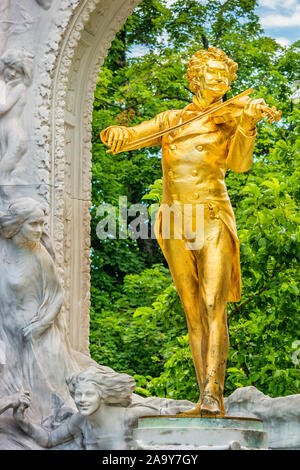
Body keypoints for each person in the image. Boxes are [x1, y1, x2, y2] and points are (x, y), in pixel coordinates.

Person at [101, 47, 276, 416]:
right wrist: (116, 131)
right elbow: (132, 135)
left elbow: (240, 164)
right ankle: (204, 397)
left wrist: (248, 123)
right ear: (195, 78)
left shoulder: (230, 120)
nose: (219, 80)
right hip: (174, 221)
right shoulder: (172, 120)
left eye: (224, 76)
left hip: (211, 215)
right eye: (210, 74)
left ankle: (214, 392)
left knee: (214, 304)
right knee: (192, 310)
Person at [0, 198, 107, 426]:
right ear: (18, 224)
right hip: (9, 336)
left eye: (41, 224)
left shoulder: (39, 254)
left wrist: (42, 324)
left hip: (41, 333)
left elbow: (57, 294)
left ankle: (60, 421)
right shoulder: (3, 251)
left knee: (57, 387)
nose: (40, 230)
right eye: (34, 224)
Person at [13, 366, 184, 449]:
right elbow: (49, 440)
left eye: (89, 394)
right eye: (78, 395)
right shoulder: (80, 420)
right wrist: (21, 421)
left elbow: (173, 420)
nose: (82, 400)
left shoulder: (128, 416)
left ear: (101, 396)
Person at [0, 49, 33, 179]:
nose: (13, 74)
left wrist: (5, 86)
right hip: (6, 136)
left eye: (18, 72)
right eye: (11, 69)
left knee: (2, 175)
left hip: (15, 137)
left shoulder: (19, 88)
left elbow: (3, 108)